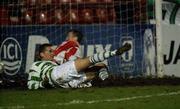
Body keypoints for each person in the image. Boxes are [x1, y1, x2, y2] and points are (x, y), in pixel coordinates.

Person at [27, 43, 131, 89]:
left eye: (53, 51)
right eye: (50, 51)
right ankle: (114, 52)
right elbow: (31, 84)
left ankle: (106, 82)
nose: (53, 53)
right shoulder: (36, 65)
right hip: (55, 74)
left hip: (65, 83)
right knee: (87, 61)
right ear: (41, 54)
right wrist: (43, 84)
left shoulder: (56, 63)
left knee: (100, 66)